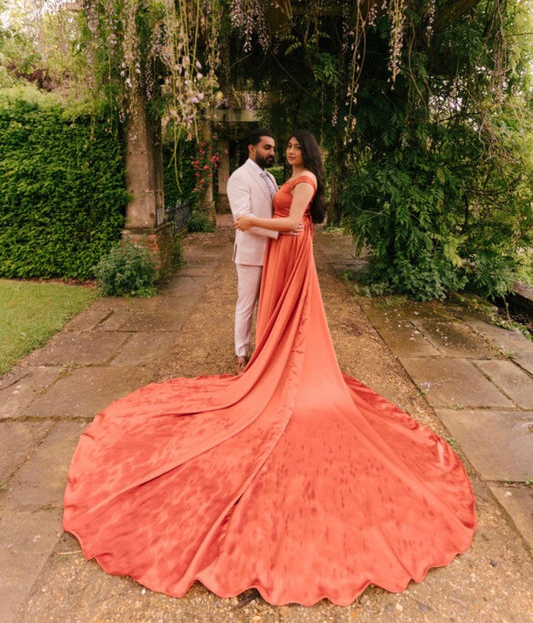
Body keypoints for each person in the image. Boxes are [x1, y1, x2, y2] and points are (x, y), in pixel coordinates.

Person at [63, 130, 477, 607]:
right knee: (269, 313)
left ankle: (283, 367)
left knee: (288, 321)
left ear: (309, 152)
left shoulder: (305, 182)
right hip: (279, 251)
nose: (291, 152)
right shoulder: (287, 175)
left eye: (298, 147)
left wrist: (252, 221)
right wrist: (261, 219)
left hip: (288, 249)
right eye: (289, 147)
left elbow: (297, 226)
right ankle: (267, 359)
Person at [226, 128, 279, 373]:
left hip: (274, 252)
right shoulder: (239, 177)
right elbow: (243, 219)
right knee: (246, 304)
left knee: (268, 304)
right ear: (251, 148)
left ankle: (266, 350)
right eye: (266, 147)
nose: (272, 152)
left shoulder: (270, 177)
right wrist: (279, 231)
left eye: (273, 148)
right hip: (250, 253)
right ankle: (241, 354)